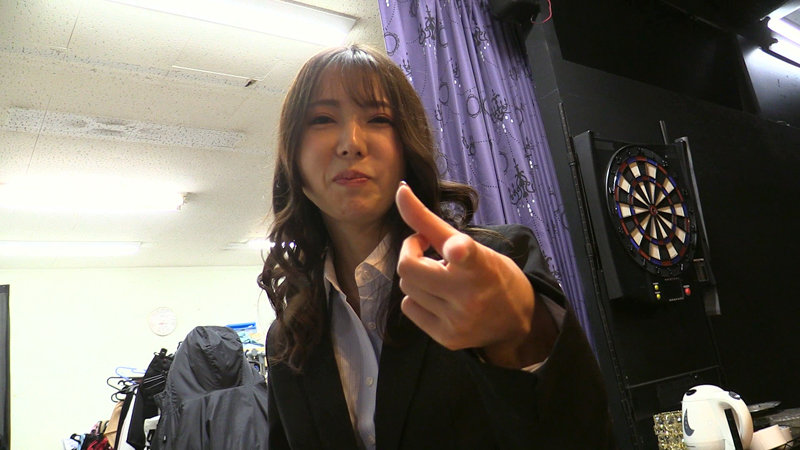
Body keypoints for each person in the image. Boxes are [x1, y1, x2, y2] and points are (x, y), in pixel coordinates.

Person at [258, 44, 613, 449]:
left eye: (378, 118)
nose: (350, 143)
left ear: (407, 148)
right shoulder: (286, 338)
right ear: (293, 158)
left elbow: (586, 435)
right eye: (322, 119)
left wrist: (523, 337)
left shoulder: (496, 261)